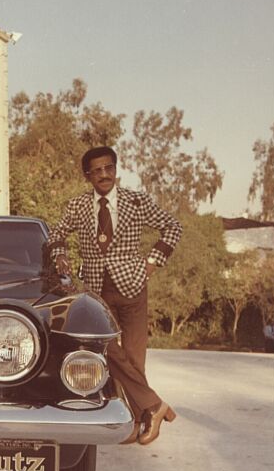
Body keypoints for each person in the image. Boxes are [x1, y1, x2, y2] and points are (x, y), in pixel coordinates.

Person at [47, 146, 183, 445]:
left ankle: (136, 423)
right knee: (109, 352)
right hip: (96, 293)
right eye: (97, 170)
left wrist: (151, 263)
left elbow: (173, 227)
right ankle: (154, 407)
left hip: (134, 286)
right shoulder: (78, 205)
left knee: (134, 359)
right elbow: (55, 234)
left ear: (116, 169)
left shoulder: (136, 200)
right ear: (88, 176)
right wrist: (61, 258)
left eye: (109, 168)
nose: (104, 174)